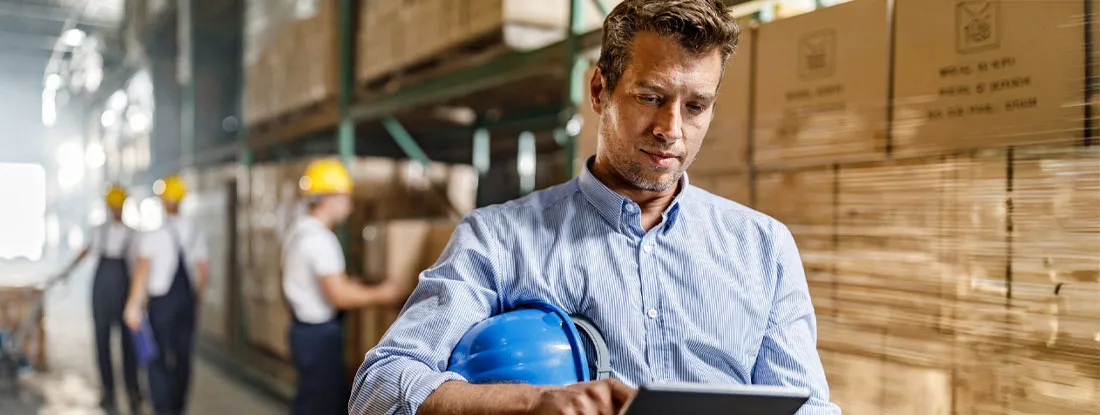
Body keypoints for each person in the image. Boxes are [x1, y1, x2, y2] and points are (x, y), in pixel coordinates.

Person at [350, 1, 841, 414]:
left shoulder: (763, 247)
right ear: (600, 90)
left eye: (695, 107)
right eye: (651, 97)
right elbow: (378, 385)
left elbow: (809, 407)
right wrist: (529, 402)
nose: (671, 129)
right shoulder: (499, 238)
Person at [282, 159, 404, 415]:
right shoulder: (320, 239)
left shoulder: (299, 230)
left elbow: (323, 282)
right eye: (345, 196)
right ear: (328, 198)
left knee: (320, 398)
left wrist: (350, 284)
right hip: (318, 335)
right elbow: (339, 296)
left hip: (303, 331)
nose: (349, 204)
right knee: (318, 405)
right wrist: (383, 294)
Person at [123, 174, 208, 415]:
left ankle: (163, 408)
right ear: (182, 201)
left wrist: (133, 306)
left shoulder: (154, 234)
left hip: (161, 304)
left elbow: (142, 272)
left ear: (162, 202)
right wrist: (196, 301)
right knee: (183, 358)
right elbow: (203, 272)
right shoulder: (195, 233)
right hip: (186, 303)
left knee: (157, 359)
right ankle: (179, 407)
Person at [68, 184, 142, 415]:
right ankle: (107, 390)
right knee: (102, 341)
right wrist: (67, 270)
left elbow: (139, 263)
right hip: (101, 291)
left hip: (123, 288)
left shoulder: (133, 233)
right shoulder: (98, 230)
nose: (117, 209)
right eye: (114, 205)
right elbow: (85, 251)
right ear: (109, 206)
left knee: (128, 343)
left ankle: (132, 390)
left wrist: (138, 296)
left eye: (120, 205)